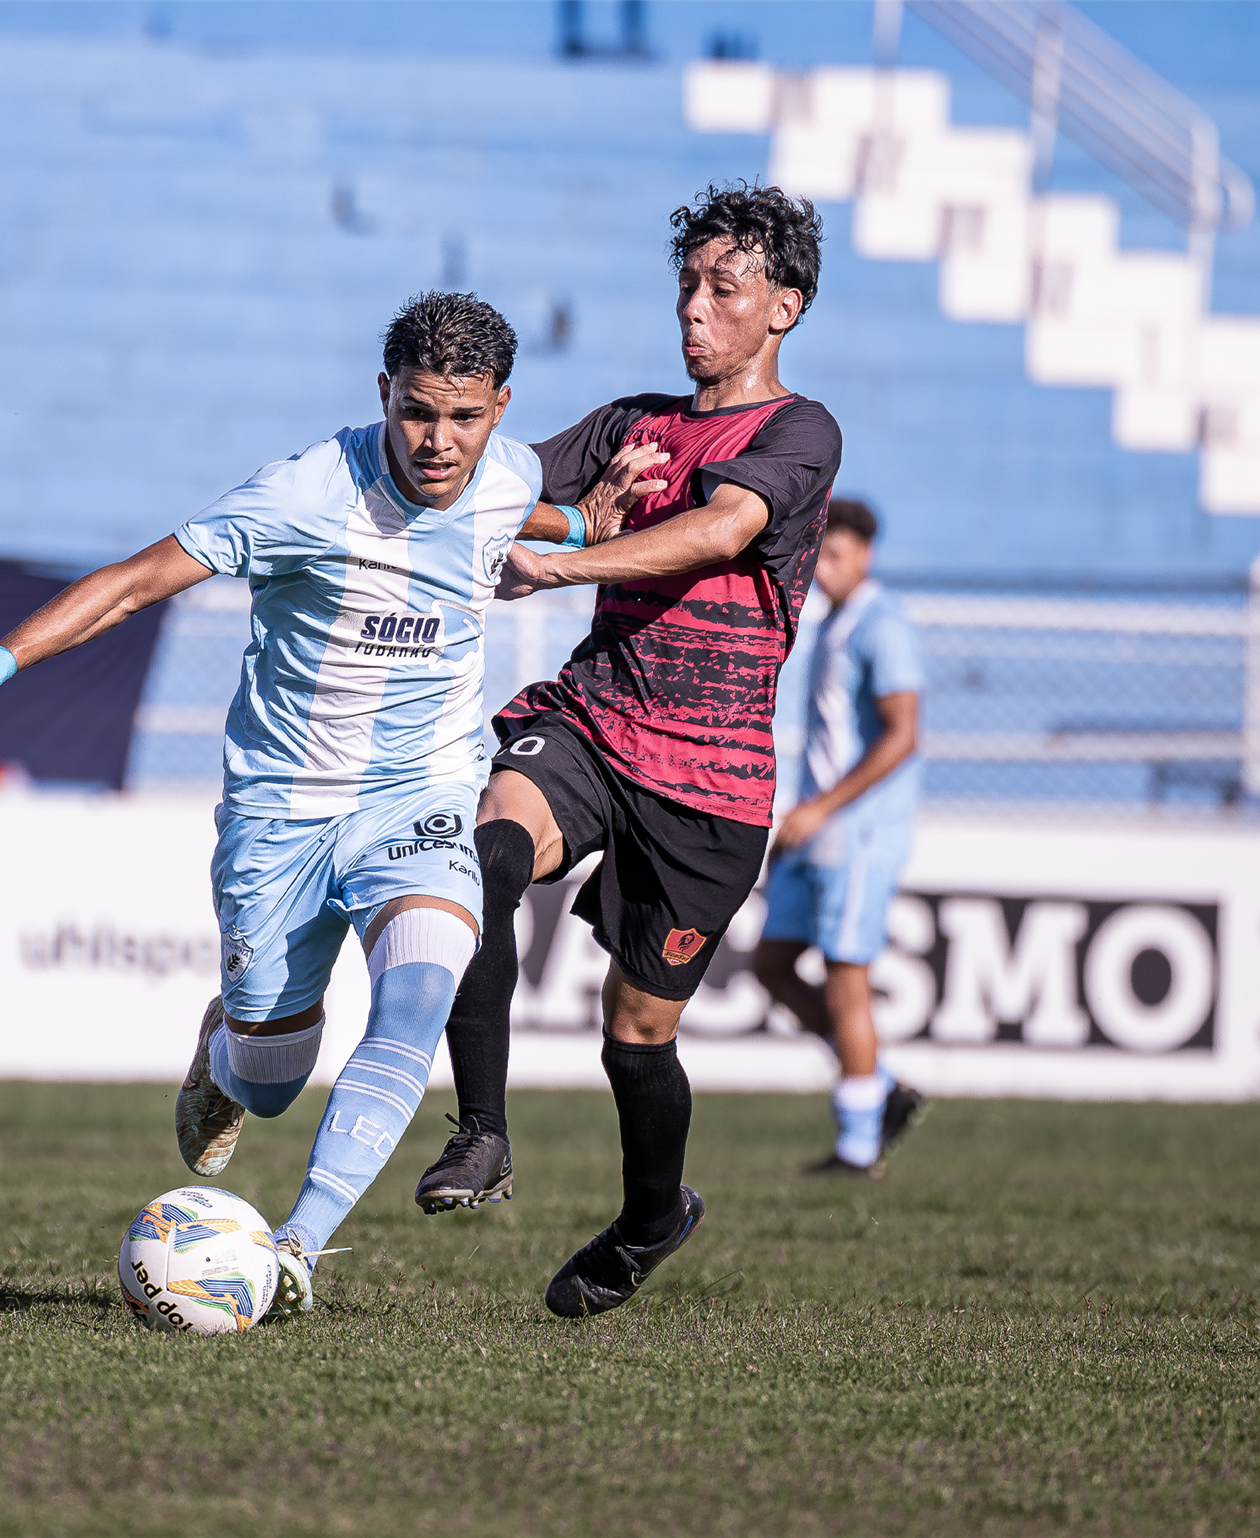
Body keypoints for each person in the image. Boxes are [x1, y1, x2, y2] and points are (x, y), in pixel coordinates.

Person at [0, 292, 592, 1316]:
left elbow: (525, 512)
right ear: (383, 394)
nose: (439, 442)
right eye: (418, 412)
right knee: (268, 1073)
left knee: (418, 994)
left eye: (465, 417)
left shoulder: (507, 471)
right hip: (282, 809)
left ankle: (294, 1246)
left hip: (419, 799)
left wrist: (596, 519)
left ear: (500, 407)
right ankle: (225, 1049)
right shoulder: (301, 493)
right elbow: (136, 580)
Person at [412, 182, 843, 1318]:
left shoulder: (796, 433)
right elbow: (488, 486)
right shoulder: (623, 424)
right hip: (592, 722)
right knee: (482, 852)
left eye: (724, 288)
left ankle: (653, 1216)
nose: (694, 309)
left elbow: (719, 531)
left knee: (634, 1037)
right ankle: (482, 1133)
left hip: (710, 783)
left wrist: (558, 561)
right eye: (686, 287)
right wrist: (526, 503)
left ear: (783, 308)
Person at [751, 497, 927, 1176]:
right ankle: (879, 1087)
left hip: (856, 832)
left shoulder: (884, 625)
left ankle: (859, 1143)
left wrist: (822, 808)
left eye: (836, 555)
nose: (822, 569)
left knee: (846, 980)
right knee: (771, 964)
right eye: (816, 555)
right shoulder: (833, 624)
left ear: (865, 553)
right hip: (815, 825)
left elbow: (903, 735)